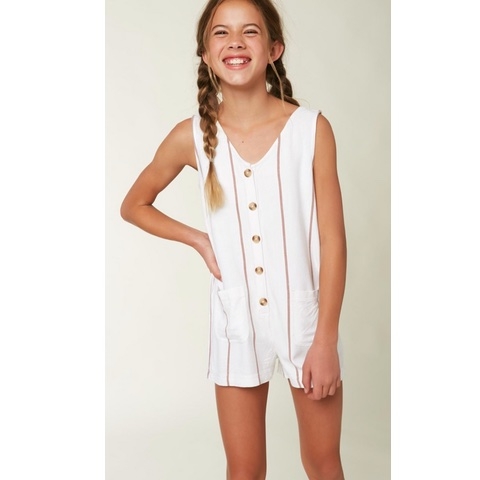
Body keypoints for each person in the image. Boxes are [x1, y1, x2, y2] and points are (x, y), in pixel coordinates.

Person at [120, 0, 347, 478]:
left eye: (250, 31)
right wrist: (200, 240)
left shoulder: (311, 130)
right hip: (236, 319)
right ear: (205, 53)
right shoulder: (191, 135)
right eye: (221, 33)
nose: (236, 42)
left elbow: (333, 240)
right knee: (244, 469)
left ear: (274, 49)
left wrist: (325, 339)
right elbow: (134, 204)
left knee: (323, 463)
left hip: (307, 321)